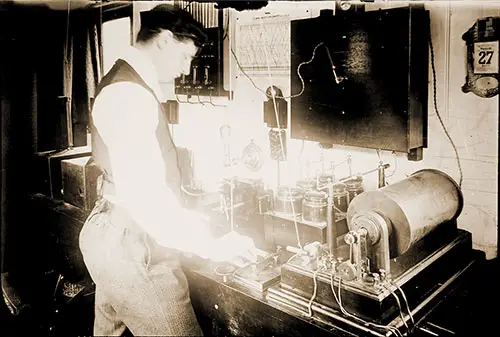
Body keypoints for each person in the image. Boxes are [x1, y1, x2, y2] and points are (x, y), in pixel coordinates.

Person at [79, 4, 256, 336]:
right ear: (163, 40)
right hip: (132, 245)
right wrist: (213, 245)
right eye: (185, 57)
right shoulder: (128, 95)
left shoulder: (129, 83)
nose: (186, 69)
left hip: (115, 234)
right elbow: (145, 199)